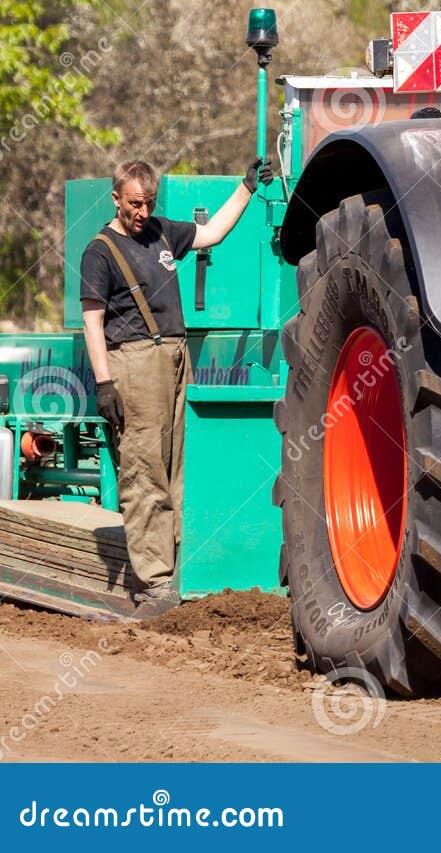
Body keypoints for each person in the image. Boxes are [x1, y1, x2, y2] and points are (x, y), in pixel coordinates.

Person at [80, 157, 268, 609]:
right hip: (133, 364)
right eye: (133, 204)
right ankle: (154, 584)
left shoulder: (162, 231)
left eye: (148, 203)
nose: (142, 212)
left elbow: (214, 233)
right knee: (143, 472)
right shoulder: (100, 251)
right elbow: (92, 321)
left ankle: (169, 574)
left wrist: (246, 187)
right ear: (115, 198)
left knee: (170, 469)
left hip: (174, 358)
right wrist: (104, 384)